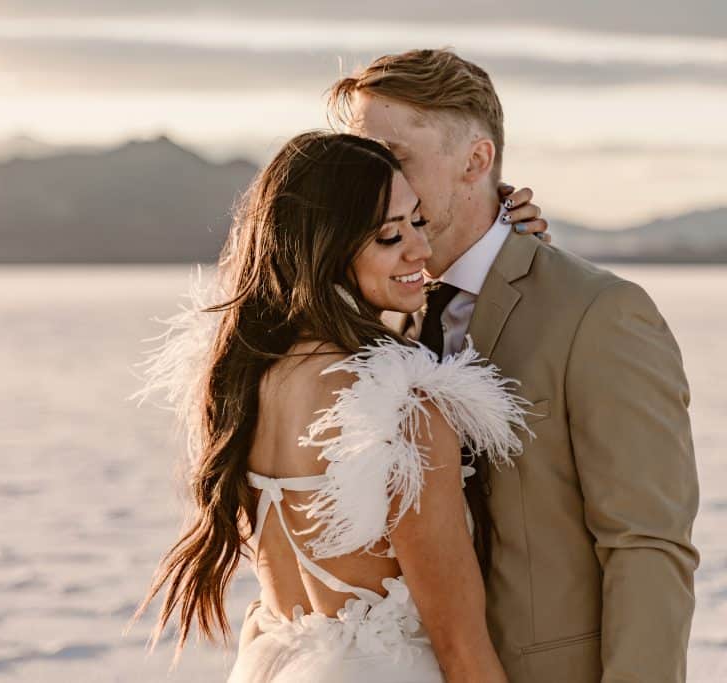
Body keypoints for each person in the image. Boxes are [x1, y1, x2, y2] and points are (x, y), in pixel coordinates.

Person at [293, 48, 697, 682]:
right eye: (362, 160)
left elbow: (647, 545)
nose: (373, 184)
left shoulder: (600, 314)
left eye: (393, 158)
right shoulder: (368, 321)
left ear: (476, 162)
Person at [129, 130, 545, 681]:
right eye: (389, 236)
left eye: (417, 222)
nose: (420, 250)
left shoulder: (244, 382)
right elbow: (461, 648)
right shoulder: (401, 409)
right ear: (325, 248)